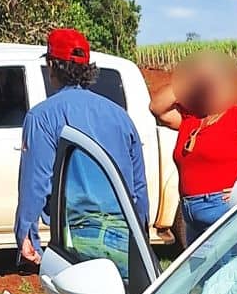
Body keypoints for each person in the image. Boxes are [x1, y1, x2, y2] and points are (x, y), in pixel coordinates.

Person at [15, 28, 149, 264]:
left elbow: (36, 182)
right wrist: (140, 235)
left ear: (53, 66)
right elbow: (139, 185)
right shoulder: (120, 116)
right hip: (123, 230)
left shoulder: (42, 116)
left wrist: (26, 233)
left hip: (76, 233)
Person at [150, 52, 237, 239]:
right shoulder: (191, 118)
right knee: (201, 268)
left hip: (223, 208)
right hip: (190, 214)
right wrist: (192, 77)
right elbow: (157, 107)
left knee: (226, 267)